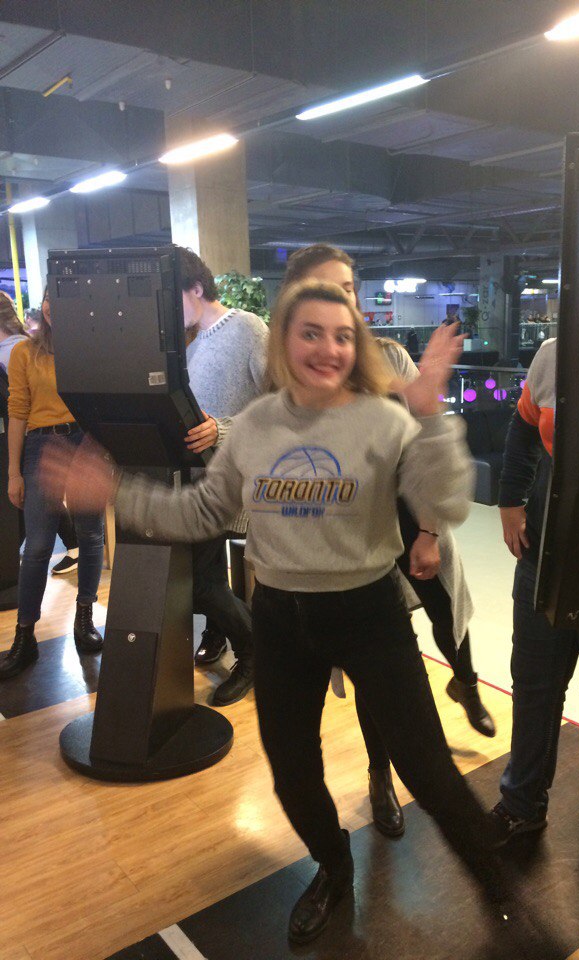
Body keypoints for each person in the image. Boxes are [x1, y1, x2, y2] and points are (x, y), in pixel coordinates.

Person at [43, 281, 506, 946]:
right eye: (310, 332)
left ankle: (501, 892)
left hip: (370, 613)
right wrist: (117, 491)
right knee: (292, 772)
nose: (328, 348)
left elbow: (448, 501)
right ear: (283, 343)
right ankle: (334, 867)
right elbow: (202, 511)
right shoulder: (258, 427)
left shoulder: (382, 421)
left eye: (342, 335)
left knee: (429, 771)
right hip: (283, 618)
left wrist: (431, 413)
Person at [281, 245, 495, 840]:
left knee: (447, 611)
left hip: (410, 518)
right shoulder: (289, 380)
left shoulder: (389, 359)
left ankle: (466, 681)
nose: (341, 299)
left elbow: (423, 455)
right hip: (352, 548)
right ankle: (380, 776)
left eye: (348, 287)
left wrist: (428, 530)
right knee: (372, 668)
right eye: (325, 288)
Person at [491, 336, 579, 892]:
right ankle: (522, 803)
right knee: (535, 683)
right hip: (545, 549)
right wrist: (510, 500)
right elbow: (521, 427)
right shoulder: (557, 353)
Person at [1, 287, 105, 680]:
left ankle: (84, 617)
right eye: (48, 296)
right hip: (40, 443)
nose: (51, 305)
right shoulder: (24, 352)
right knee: (38, 545)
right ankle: (24, 635)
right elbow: (17, 412)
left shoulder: (89, 351)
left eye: (60, 297)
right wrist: (14, 472)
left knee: (90, 534)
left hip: (86, 440)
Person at [180, 246, 268, 706]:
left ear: (196, 288)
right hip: (202, 480)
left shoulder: (248, 329)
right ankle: (221, 636)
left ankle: (256, 654)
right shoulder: (195, 343)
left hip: (234, 478)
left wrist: (223, 428)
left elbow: (283, 404)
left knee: (199, 583)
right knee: (203, 578)